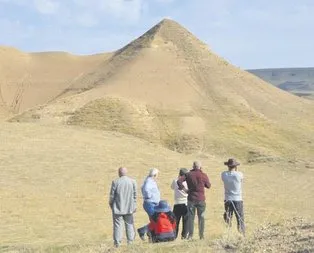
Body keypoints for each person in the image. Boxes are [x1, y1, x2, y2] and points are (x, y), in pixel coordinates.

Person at [177, 161, 211, 240]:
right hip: (201, 199)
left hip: (191, 199)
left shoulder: (188, 174)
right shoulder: (203, 175)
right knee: (201, 218)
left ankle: (190, 235)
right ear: (200, 167)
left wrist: (185, 190)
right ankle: (201, 236)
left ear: (193, 166)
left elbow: (179, 181)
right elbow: (208, 186)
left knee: (191, 218)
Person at [109, 167, 137, 247]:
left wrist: (111, 205)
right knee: (129, 225)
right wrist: (134, 205)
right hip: (129, 208)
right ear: (126, 172)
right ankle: (130, 243)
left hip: (118, 208)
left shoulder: (115, 182)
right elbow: (135, 195)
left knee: (118, 226)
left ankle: (117, 243)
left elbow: (112, 196)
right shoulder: (132, 181)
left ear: (119, 173)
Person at [221, 158, 245, 235]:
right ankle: (241, 233)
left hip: (228, 198)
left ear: (228, 166)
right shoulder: (239, 174)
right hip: (238, 198)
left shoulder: (224, 174)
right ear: (235, 166)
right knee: (240, 218)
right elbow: (241, 180)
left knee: (228, 217)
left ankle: (228, 233)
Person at [137, 168, 161, 240]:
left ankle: (151, 235)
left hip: (152, 203)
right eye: (157, 175)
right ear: (155, 175)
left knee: (154, 220)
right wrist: (149, 196)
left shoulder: (150, 180)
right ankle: (143, 231)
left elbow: (142, 188)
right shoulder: (149, 181)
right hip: (150, 203)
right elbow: (146, 189)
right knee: (155, 220)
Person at [171, 168, 189, 239]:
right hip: (185, 203)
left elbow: (172, 187)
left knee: (176, 221)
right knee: (186, 221)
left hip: (177, 203)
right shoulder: (188, 182)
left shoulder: (175, 181)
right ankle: (184, 236)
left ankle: (174, 236)